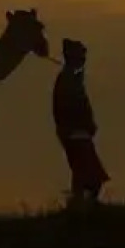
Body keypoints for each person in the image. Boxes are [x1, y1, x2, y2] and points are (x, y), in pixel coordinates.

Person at [53, 38, 109, 207]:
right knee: (87, 174)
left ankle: (82, 206)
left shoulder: (71, 79)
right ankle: (81, 207)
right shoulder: (67, 80)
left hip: (77, 132)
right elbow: (71, 107)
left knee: (86, 174)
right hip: (75, 133)